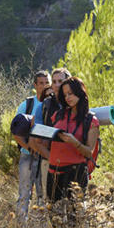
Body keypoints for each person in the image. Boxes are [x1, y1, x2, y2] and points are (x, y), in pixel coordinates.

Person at [47, 76, 99, 203]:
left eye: (70, 93)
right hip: (53, 171)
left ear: (80, 93)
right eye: (65, 95)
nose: (67, 98)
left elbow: (89, 152)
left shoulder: (91, 121)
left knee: (74, 217)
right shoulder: (57, 116)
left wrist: (74, 142)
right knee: (54, 216)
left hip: (76, 173)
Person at [12, 69, 51, 220]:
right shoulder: (26, 105)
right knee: (24, 192)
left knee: (43, 194)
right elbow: (16, 132)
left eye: (47, 82)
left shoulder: (54, 104)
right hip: (28, 156)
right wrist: (29, 148)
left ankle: (40, 227)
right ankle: (21, 225)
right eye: (41, 83)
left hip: (45, 157)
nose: (45, 85)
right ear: (35, 85)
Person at [40, 67, 71, 195]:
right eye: (54, 81)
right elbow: (39, 133)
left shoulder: (75, 103)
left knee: (73, 201)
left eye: (61, 81)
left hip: (71, 160)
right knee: (50, 201)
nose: (57, 85)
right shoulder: (46, 104)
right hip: (49, 158)